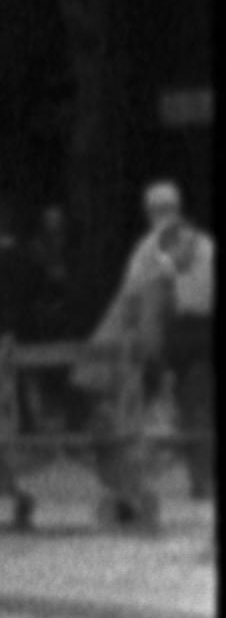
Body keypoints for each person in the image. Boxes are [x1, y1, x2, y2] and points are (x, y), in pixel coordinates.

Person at [99, 180, 215, 505]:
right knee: (196, 406)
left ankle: (139, 479)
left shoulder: (150, 247)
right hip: (200, 332)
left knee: (146, 407)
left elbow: (131, 293)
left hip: (168, 335)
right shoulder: (204, 244)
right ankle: (201, 479)